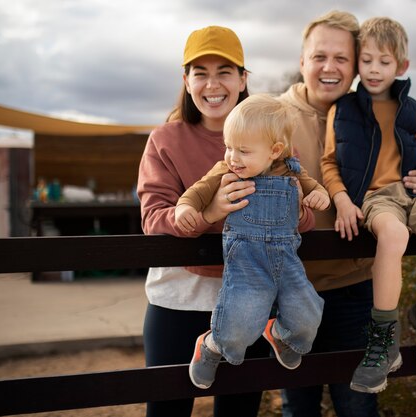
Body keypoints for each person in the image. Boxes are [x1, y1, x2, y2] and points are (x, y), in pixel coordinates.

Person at [278, 10, 416, 416]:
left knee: (359, 407)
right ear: (302, 59)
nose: (329, 67)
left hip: (356, 285)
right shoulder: (273, 116)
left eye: (342, 58)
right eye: (320, 56)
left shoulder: (379, 113)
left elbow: (412, 178)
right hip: (289, 288)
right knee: (297, 406)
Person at [137, 26, 316, 417]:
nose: (212, 83)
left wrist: (295, 208)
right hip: (179, 297)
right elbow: (153, 218)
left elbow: (304, 219)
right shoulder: (164, 140)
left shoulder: (275, 141)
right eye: (200, 72)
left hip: (252, 295)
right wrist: (209, 212)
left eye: (224, 71)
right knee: (166, 409)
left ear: (242, 79)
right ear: (186, 81)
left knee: (238, 410)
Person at [320, 16, 416, 394]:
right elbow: (328, 163)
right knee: (393, 235)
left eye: (384, 62)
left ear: (401, 66)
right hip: (375, 198)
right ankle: (383, 339)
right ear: (358, 63)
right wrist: (341, 198)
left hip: (415, 193)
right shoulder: (343, 109)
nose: (374, 69)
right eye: (367, 60)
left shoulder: (411, 109)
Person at [175, 94, 329, 389]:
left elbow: (315, 189)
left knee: (307, 314)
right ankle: (212, 345)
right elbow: (196, 191)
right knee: (240, 324)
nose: (233, 157)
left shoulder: (292, 169)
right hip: (246, 261)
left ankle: (281, 334)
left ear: (275, 150)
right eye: (229, 147)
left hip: (287, 260)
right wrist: (186, 208)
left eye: (243, 150)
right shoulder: (225, 171)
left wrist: (318, 196)